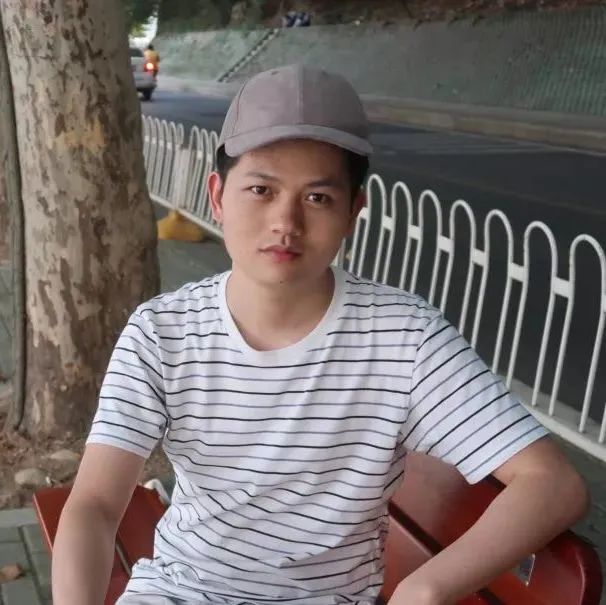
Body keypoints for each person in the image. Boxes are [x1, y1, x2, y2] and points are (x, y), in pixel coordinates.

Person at [51, 64, 589, 605]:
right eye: (261, 189)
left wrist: (426, 587)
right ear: (217, 195)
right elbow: (94, 504)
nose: (285, 222)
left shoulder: (405, 339)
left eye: (317, 198)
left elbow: (552, 482)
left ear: (354, 211)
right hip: (179, 591)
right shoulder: (161, 332)